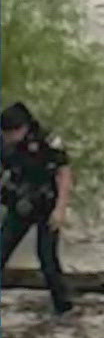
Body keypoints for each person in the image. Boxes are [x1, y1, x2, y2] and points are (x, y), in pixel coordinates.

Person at [1, 102, 74, 320]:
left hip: (47, 205)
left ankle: (64, 308)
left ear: (23, 128)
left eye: (10, 133)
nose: (7, 138)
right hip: (19, 204)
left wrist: (61, 209)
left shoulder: (47, 140)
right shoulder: (4, 142)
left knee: (47, 259)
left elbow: (64, 173)